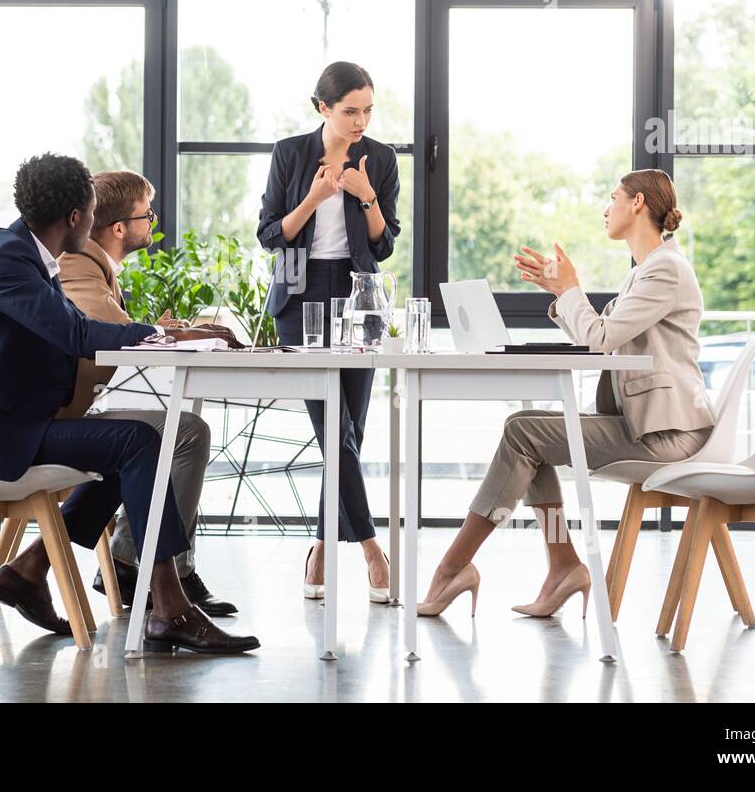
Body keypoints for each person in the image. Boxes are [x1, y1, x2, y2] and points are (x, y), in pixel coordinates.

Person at [0, 153, 258, 654]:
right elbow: (74, 333)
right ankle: (170, 608)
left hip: (14, 423)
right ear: (75, 218)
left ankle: (29, 570)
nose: (94, 220)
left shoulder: (24, 253)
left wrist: (162, 335)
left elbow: (69, 331)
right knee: (139, 442)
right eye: (90, 211)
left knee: (126, 451)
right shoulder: (10, 260)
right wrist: (160, 335)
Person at [417, 169, 717, 619]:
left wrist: (570, 287)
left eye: (613, 197)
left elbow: (599, 339)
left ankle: (454, 569)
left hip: (668, 436)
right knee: (526, 432)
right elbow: (602, 334)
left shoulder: (665, 270)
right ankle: (560, 567)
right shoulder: (648, 271)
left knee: (524, 432)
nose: (606, 208)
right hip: (652, 426)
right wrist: (561, 292)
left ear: (637, 204)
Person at [56, 168, 237, 617]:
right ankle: (155, 568)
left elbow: (122, 331)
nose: (152, 224)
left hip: (74, 413)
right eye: (147, 215)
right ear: (119, 228)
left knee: (174, 431)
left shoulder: (98, 269)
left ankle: (134, 561)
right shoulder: (76, 266)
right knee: (183, 433)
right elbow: (116, 335)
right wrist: (188, 334)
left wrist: (176, 332)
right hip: (59, 421)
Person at [256, 61, 401, 602]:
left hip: (358, 294)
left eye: (368, 110)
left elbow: (384, 245)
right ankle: (369, 547)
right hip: (300, 297)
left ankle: (320, 542)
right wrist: (314, 200)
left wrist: (365, 196)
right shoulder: (290, 154)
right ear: (323, 108)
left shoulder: (380, 159)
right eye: (349, 111)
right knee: (332, 428)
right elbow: (271, 234)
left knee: (349, 431)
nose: (360, 120)